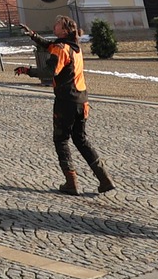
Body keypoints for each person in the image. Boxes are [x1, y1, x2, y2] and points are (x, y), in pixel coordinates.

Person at [17, 15, 115, 195]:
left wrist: (27, 71)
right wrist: (33, 35)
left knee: (61, 140)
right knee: (81, 140)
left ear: (64, 30)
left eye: (58, 24)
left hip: (66, 102)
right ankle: (104, 179)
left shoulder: (61, 49)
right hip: (82, 100)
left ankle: (71, 183)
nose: (54, 25)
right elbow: (50, 45)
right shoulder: (74, 47)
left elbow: (50, 71)